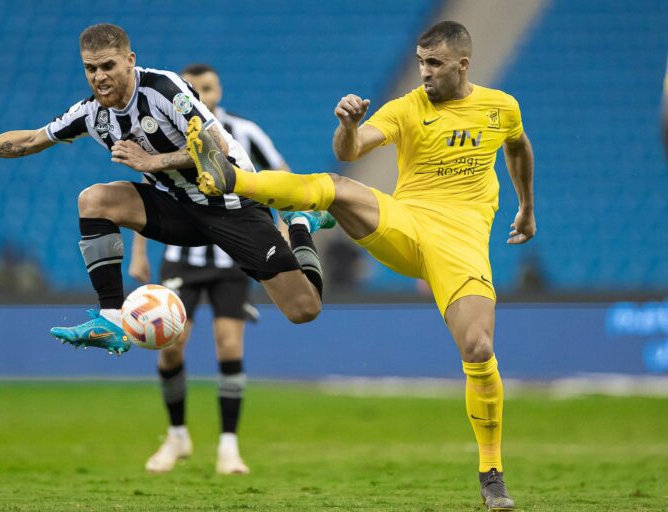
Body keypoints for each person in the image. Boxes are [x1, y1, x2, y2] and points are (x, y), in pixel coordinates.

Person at [185, 21, 534, 511]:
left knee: (478, 349)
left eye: (433, 64)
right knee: (335, 181)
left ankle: (491, 472)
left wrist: (526, 207)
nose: (424, 72)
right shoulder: (407, 107)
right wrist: (348, 125)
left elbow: (518, 147)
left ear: (462, 64)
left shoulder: (501, 107)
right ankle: (233, 180)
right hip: (407, 223)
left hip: (463, 244)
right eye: (419, 62)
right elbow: (351, 150)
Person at [0, 23, 333, 356]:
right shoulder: (91, 114)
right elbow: (29, 141)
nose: (99, 77)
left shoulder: (165, 89)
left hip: (232, 203)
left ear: (130, 61)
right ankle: (111, 319)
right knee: (94, 199)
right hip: (178, 208)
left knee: (304, 309)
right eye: (90, 68)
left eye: (108, 66)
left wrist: (152, 162)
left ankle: (299, 221)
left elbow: (218, 150)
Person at [129, 63, 290, 475]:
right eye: (196, 88)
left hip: (231, 257)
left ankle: (229, 446)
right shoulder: (163, 132)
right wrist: (140, 252)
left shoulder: (242, 133)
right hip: (183, 256)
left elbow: (281, 176)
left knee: (230, 346)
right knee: (171, 345)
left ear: (218, 91)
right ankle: (177, 434)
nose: (204, 95)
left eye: (210, 88)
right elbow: (149, 196)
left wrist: (284, 225)